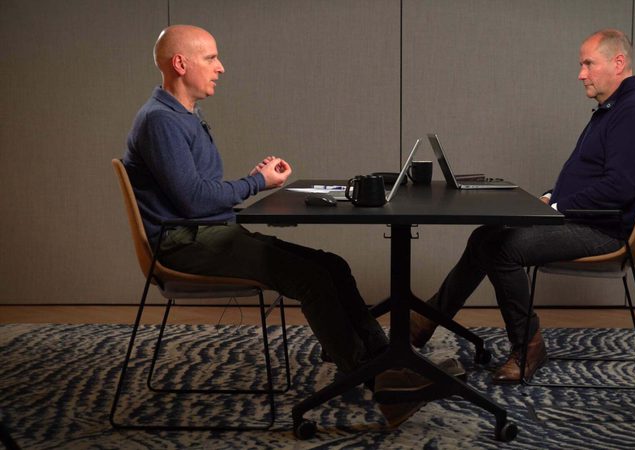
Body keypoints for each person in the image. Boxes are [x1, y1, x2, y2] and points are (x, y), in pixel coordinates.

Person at [123, 24, 456, 428]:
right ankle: (382, 383)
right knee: (311, 278)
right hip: (186, 245)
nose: (221, 67)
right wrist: (257, 184)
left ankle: (386, 361)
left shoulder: (183, 116)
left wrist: (250, 180)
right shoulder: (161, 121)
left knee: (331, 265)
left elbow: (196, 190)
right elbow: (192, 200)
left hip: (207, 233)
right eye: (211, 57)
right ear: (180, 63)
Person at [410, 29, 635, 383]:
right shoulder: (614, 109)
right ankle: (427, 320)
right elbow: (589, 176)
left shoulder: (633, 113)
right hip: (586, 219)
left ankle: (528, 347)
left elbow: (618, 189)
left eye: (588, 64)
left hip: (605, 230)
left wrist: (555, 208)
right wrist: (550, 197)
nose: (581, 73)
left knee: (503, 248)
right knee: (485, 236)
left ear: (618, 62)